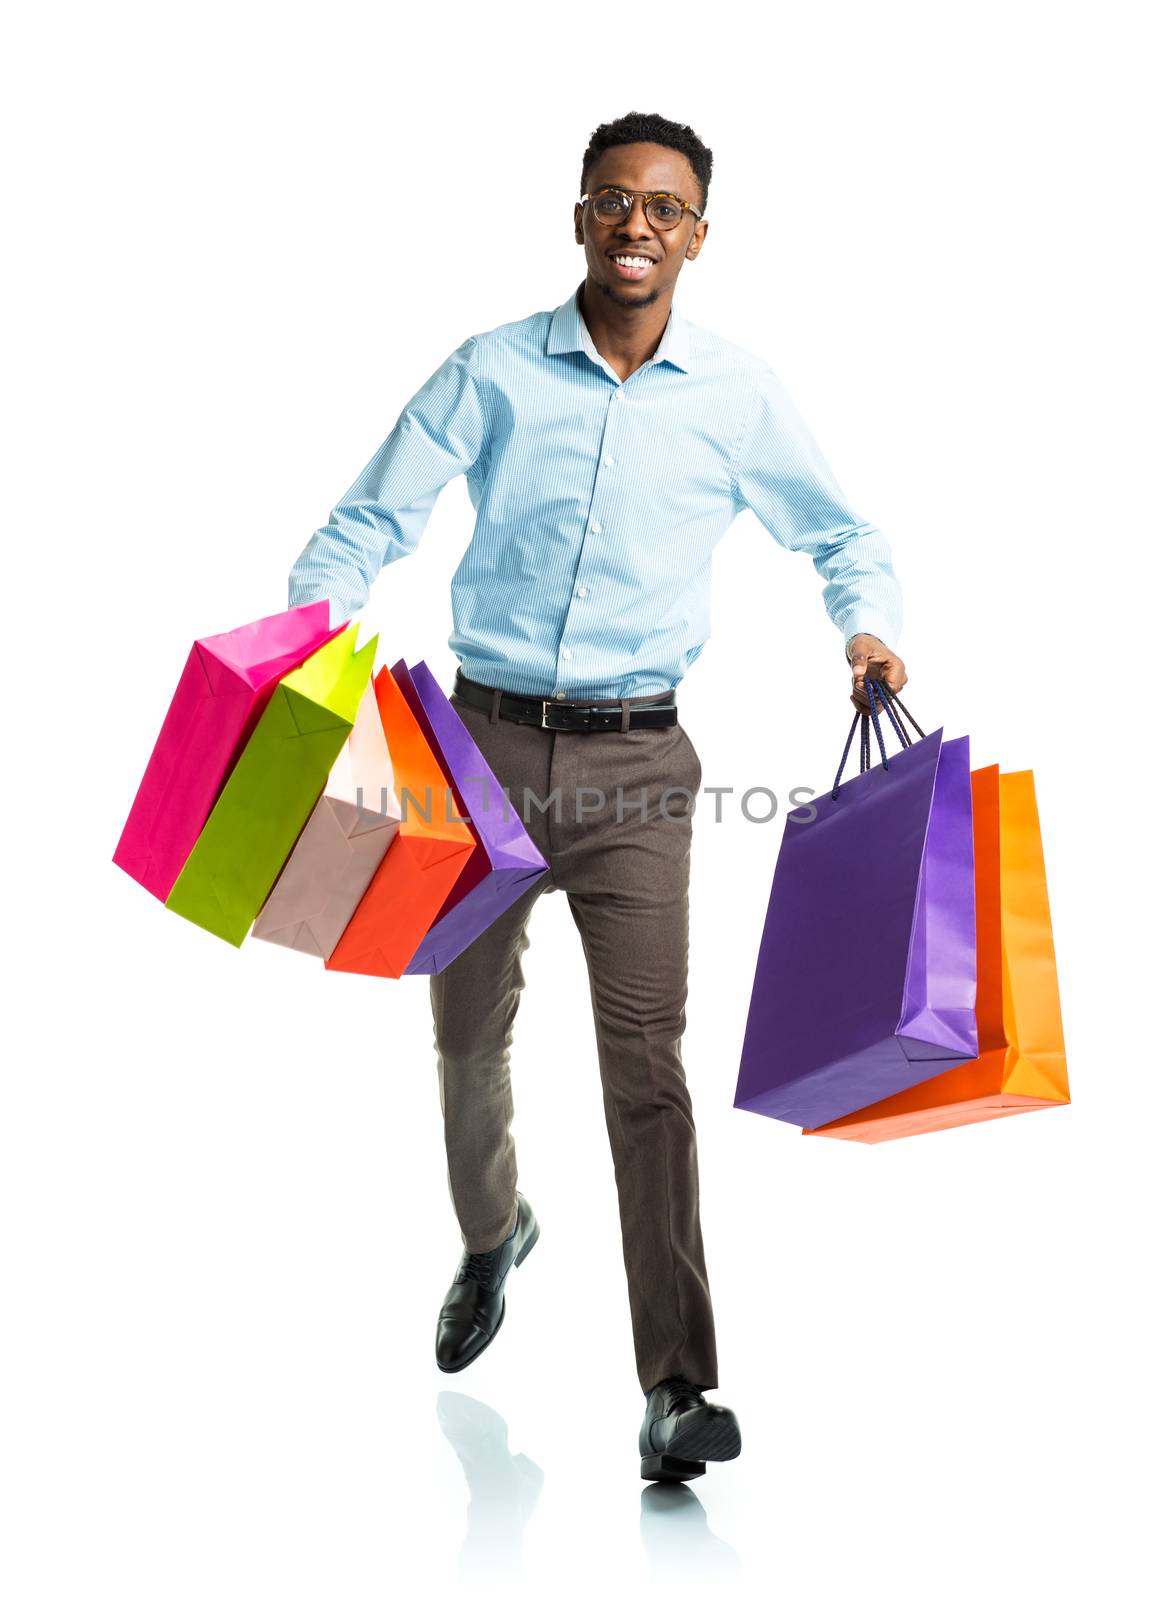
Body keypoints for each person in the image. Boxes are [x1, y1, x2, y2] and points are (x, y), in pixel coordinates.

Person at [288, 109, 908, 1483]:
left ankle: (677, 1384)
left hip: (640, 770)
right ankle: (490, 1232)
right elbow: (366, 523)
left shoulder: (734, 396)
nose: (638, 226)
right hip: (478, 755)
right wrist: (312, 634)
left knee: (647, 1071)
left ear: (698, 235)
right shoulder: (494, 369)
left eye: (665, 208)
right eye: (614, 201)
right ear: (579, 216)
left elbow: (840, 532)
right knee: (467, 1037)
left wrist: (863, 626)